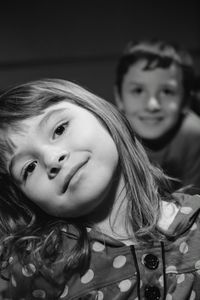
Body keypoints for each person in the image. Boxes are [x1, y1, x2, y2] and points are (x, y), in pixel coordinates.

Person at [0, 79, 200, 300]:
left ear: (101, 114)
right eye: (29, 168)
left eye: (60, 129)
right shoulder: (37, 268)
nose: (51, 158)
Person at [114, 38, 200, 194]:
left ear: (186, 101)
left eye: (167, 91)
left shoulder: (193, 134)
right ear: (119, 97)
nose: (152, 105)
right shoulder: (112, 133)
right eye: (138, 91)